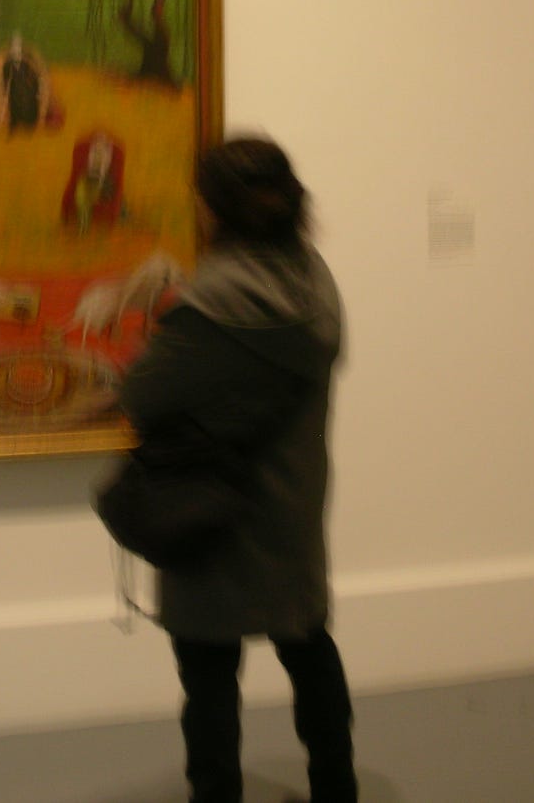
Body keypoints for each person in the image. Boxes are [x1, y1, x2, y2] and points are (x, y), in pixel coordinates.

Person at [118, 136, 356, 803]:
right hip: (293, 499)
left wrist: (159, 315)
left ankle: (216, 793)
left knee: (208, 673)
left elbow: (141, 395)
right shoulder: (313, 278)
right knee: (308, 648)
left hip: (213, 509)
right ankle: (336, 787)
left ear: (213, 208)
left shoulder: (212, 302)